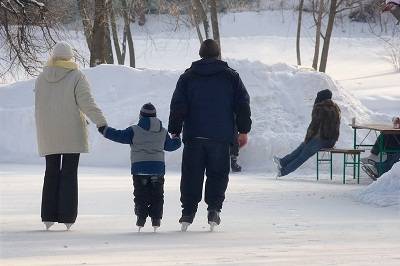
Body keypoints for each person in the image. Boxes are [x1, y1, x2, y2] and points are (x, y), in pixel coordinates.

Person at [168, 39, 252, 231]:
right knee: (218, 174)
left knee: (191, 175)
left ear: (200, 54)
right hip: (220, 137)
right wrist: (243, 130)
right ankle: (214, 209)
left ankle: (187, 212)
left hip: (194, 136)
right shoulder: (231, 77)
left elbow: (178, 105)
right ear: (218, 54)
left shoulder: (187, 77)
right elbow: (242, 105)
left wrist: (175, 129)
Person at [35, 42, 107, 230]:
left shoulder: (41, 77)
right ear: (69, 57)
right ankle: (67, 217)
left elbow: (39, 107)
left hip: (48, 133)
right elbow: (86, 102)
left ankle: (48, 217)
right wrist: (101, 121)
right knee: (68, 173)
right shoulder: (76, 76)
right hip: (71, 132)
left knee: (51, 173)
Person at [98, 103, 181, 231]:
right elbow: (171, 146)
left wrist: (105, 130)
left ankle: (141, 218)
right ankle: (156, 219)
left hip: (140, 169)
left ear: (141, 116)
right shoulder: (163, 132)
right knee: (157, 195)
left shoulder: (134, 130)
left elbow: (118, 135)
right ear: (155, 116)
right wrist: (176, 138)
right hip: (157, 169)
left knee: (141, 194)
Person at [273, 89, 341, 177]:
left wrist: (308, 139)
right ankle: (282, 162)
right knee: (302, 147)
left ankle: (283, 171)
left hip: (322, 139)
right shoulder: (335, 108)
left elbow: (313, 127)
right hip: (331, 141)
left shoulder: (319, 108)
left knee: (303, 155)